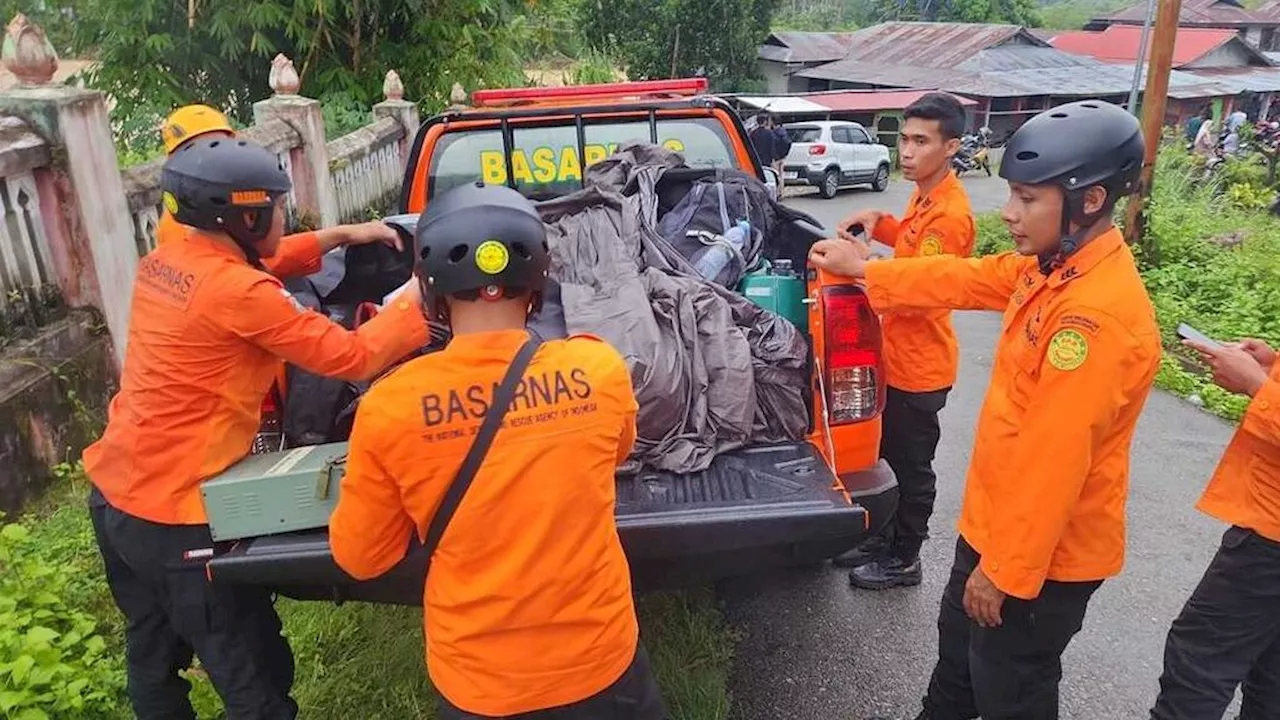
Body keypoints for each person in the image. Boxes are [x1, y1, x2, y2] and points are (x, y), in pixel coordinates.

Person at [810, 100, 1162, 720]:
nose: (1009, 214)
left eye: (1028, 199)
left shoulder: (1095, 318)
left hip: (1039, 561)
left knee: (1010, 692)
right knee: (956, 676)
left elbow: (1054, 463)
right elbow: (965, 278)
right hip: (993, 530)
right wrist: (868, 270)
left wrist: (1003, 572)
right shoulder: (1052, 269)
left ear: (1089, 201)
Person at [84, 137, 430, 720]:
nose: (282, 216)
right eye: (274, 208)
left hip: (115, 495)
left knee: (151, 654)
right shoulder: (242, 294)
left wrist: (344, 235)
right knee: (252, 671)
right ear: (245, 216)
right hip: (176, 515)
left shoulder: (166, 265)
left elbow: (261, 263)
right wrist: (424, 293)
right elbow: (352, 357)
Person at [329, 182, 665, 720]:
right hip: (602, 666)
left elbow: (361, 557)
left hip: (481, 685)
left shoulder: (390, 407)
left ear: (428, 291)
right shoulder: (598, 370)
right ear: (537, 282)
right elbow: (616, 452)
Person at [830, 92, 976, 592]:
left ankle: (906, 558)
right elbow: (912, 247)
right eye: (903, 139)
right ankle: (882, 541)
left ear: (951, 146)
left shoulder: (951, 216)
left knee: (912, 469)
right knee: (886, 456)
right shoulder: (925, 197)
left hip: (921, 365)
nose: (906, 151)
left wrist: (865, 267)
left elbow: (928, 292)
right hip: (894, 358)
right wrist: (878, 220)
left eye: (921, 141)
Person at [1149, 336, 1280, 719]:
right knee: (1272, 679)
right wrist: (1270, 368)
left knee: (1200, 665)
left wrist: (1258, 386)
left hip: (1270, 541)